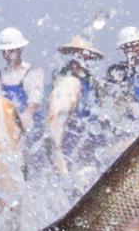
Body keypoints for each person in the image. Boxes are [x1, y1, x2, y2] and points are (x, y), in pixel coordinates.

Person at [46, 35, 108, 169]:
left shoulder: (92, 81)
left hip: (88, 135)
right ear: (71, 54)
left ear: (88, 57)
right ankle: (57, 156)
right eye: (76, 53)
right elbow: (57, 107)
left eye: (82, 54)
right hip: (68, 132)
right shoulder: (63, 76)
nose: (78, 57)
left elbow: (101, 107)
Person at [0, 27, 47, 133]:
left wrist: (23, 122)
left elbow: (33, 103)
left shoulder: (34, 72)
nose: (7, 55)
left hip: (31, 128)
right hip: (6, 126)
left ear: (20, 50)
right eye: (4, 51)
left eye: (10, 51)